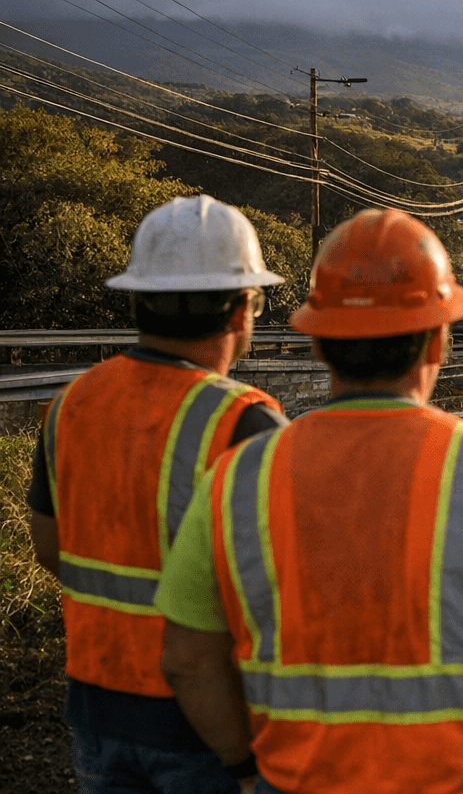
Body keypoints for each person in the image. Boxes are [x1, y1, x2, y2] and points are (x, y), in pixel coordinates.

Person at [155, 208, 463, 794]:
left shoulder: (236, 477)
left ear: (319, 341)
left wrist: (246, 769)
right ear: (439, 339)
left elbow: (187, 659)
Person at [28, 194, 289, 794]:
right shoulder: (244, 423)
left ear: (136, 299)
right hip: (211, 720)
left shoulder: (72, 403)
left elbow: (50, 545)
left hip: (96, 705)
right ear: (244, 308)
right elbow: (281, 586)